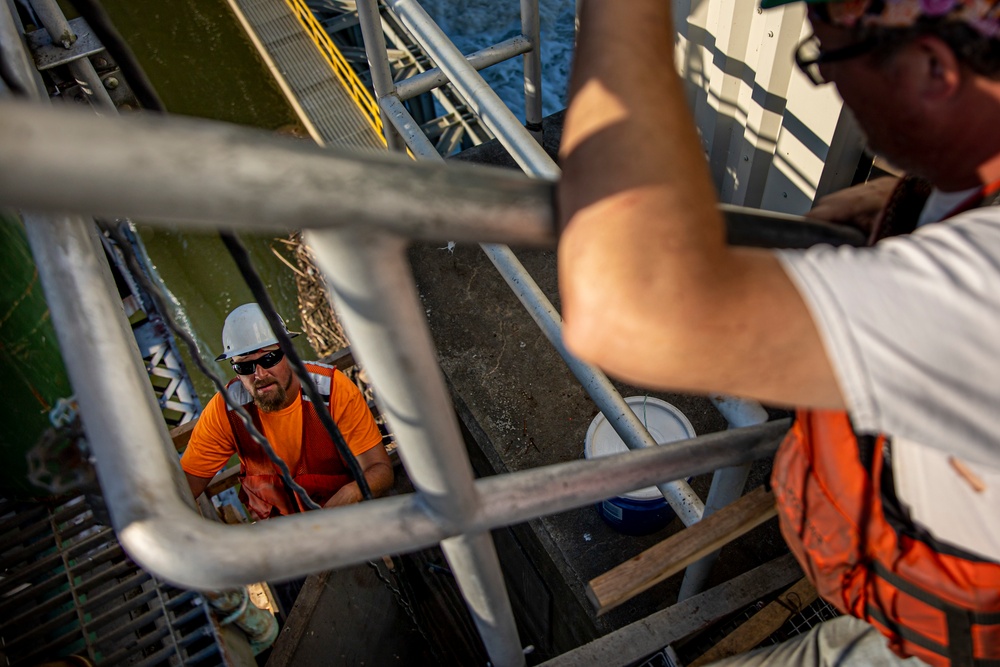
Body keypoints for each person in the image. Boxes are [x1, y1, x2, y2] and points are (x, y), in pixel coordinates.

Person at [558, 1, 1000, 665]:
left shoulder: (980, 293)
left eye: (826, 60)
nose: (830, 85)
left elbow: (628, 306)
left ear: (935, 70)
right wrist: (910, 202)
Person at [181, 303, 393, 519]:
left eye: (269, 358)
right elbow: (184, 488)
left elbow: (380, 470)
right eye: (245, 366)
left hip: (341, 522)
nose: (260, 374)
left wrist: (351, 492)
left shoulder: (332, 391)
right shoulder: (227, 411)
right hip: (280, 537)